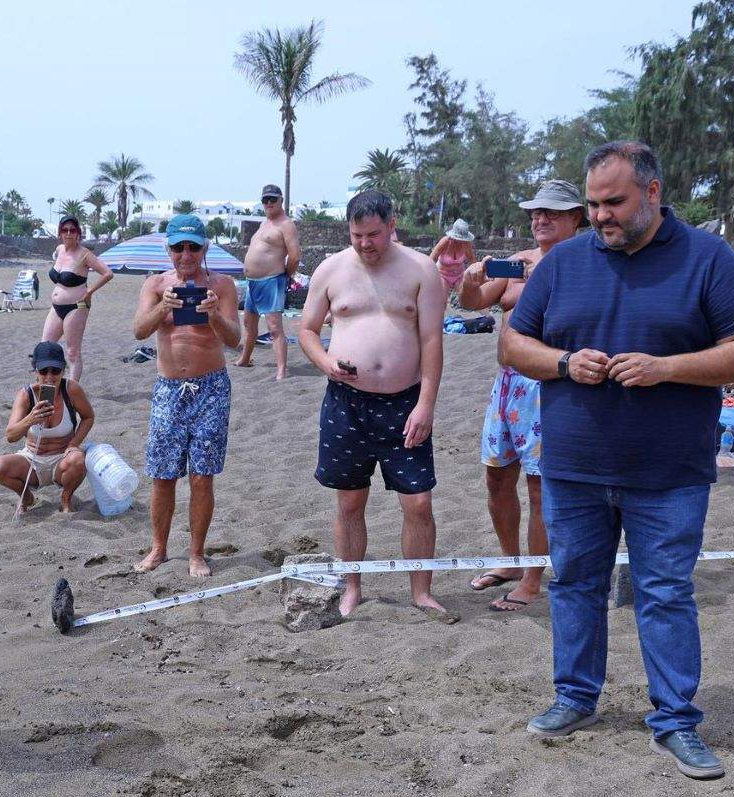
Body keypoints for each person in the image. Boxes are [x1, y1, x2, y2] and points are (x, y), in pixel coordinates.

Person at [500, 141, 734, 780]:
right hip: (574, 467)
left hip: (669, 473)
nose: (600, 216)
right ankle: (575, 698)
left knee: (666, 593)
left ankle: (675, 721)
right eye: (592, 204)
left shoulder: (708, 258)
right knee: (573, 584)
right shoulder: (563, 262)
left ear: (652, 192)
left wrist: (667, 369)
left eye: (613, 202)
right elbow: (512, 345)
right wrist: (565, 363)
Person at [296, 189, 448, 619]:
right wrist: (326, 362)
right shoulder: (331, 269)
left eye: (374, 234)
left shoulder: (421, 269)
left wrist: (426, 405)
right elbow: (306, 330)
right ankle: (352, 586)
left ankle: (421, 590)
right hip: (346, 403)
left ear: (392, 224)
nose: (366, 244)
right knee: (349, 502)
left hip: (405, 403)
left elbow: (432, 341)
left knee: (418, 502)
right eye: (358, 235)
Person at [456, 179, 588, 613]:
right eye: (535, 211)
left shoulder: (585, 265)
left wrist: (544, 281)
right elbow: (473, 303)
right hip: (508, 385)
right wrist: (471, 280)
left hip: (550, 384)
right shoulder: (519, 262)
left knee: (539, 487)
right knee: (497, 476)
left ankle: (533, 578)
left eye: (551, 212)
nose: (540, 218)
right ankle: (511, 562)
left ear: (576, 218)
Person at [131, 213, 241, 578]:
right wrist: (163, 306)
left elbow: (234, 339)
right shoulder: (154, 284)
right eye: (178, 247)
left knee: (202, 475)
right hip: (168, 389)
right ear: (169, 249)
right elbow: (138, 331)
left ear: (204, 248)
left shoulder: (223, 286)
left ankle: (196, 553)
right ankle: (159, 548)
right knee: (162, 475)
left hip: (211, 387)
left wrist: (212, 315)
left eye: (193, 247)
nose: (186, 255)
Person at [0, 341, 95, 513]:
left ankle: (66, 498)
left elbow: (88, 417)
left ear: (63, 370)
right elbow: (10, 436)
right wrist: (30, 419)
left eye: (56, 370)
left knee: (78, 459)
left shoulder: (71, 390)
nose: (49, 376)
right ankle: (26, 496)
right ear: (35, 371)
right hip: (32, 459)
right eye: (43, 371)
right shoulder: (26, 395)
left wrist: (73, 444)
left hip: (61, 458)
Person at [236, 184, 302, 380]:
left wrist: (286, 275)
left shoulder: (286, 224)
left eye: (273, 199)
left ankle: (282, 370)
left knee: (274, 328)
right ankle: (245, 358)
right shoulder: (263, 224)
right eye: (265, 200)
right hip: (252, 282)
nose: (269, 203)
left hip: (271, 280)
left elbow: (295, 256)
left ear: (281, 200)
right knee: (249, 322)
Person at [42, 217, 113, 381]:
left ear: (78, 234)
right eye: (65, 230)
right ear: (60, 233)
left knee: (72, 352)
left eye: (72, 230)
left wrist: (90, 291)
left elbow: (108, 273)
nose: (68, 233)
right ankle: (50, 382)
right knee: (45, 346)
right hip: (56, 307)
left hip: (76, 306)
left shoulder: (84, 255)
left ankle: (73, 389)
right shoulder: (59, 250)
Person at [428, 218, 475, 299]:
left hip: (459, 274)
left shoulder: (466, 244)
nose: (460, 241)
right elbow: (431, 258)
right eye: (459, 239)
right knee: (441, 300)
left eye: (463, 239)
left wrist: (475, 274)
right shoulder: (445, 242)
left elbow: (472, 260)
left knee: (466, 298)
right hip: (443, 274)